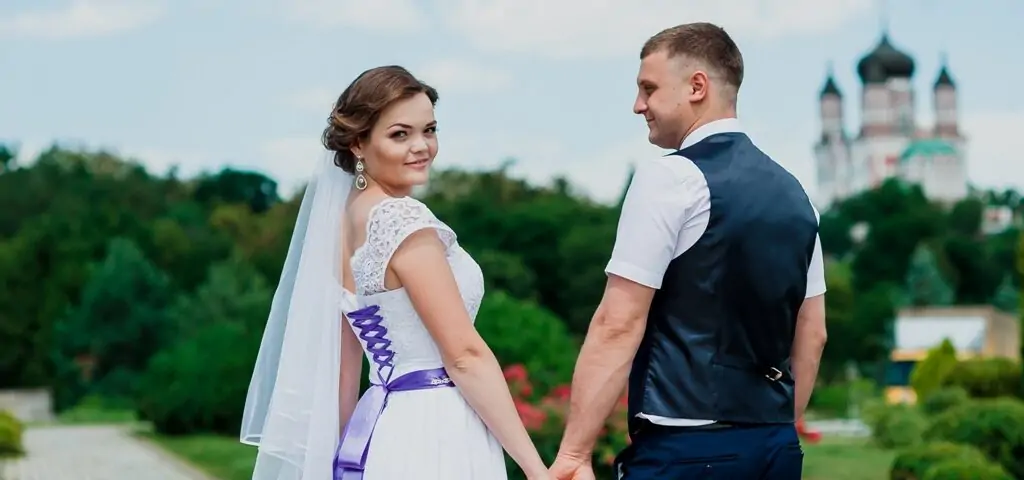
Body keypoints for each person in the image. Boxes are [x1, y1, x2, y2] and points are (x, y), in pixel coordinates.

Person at [239, 66, 551, 480]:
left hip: (382, 430)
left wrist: (337, 460)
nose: (422, 146)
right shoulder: (400, 220)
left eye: (429, 130)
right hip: (438, 429)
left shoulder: (343, 226)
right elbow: (464, 356)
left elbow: (344, 373)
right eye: (400, 134)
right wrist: (536, 469)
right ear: (358, 143)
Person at [549, 23, 828, 479]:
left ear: (697, 86)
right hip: (775, 446)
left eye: (649, 89)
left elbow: (618, 323)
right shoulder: (798, 197)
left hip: (686, 449)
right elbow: (812, 333)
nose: (638, 105)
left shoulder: (670, 178)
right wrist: (774, 425)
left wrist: (574, 454)